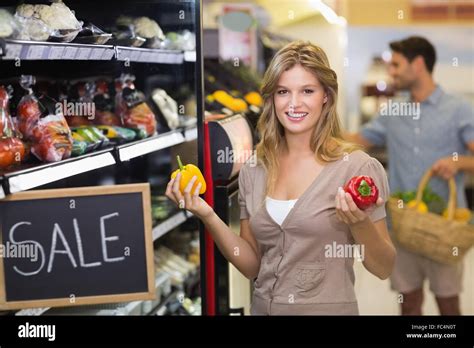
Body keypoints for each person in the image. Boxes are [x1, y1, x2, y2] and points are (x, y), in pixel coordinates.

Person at [166, 41, 396, 315]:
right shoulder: (255, 169)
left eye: (307, 91)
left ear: (326, 96)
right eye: (283, 92)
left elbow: (383, 267)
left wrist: (360, 223)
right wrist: (207, 214)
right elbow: (252, 265)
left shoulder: (357, 169)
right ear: (272, 98)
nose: (294, 103)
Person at [346, 36, 474, 315]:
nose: (391, 71)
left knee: (449, 305)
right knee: (409, 303)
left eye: (396, 65)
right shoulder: (393, 111)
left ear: (417, 64)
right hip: (401, 228)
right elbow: (355, 140)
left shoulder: (459, 109)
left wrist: (459, 162)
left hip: (444, 229)